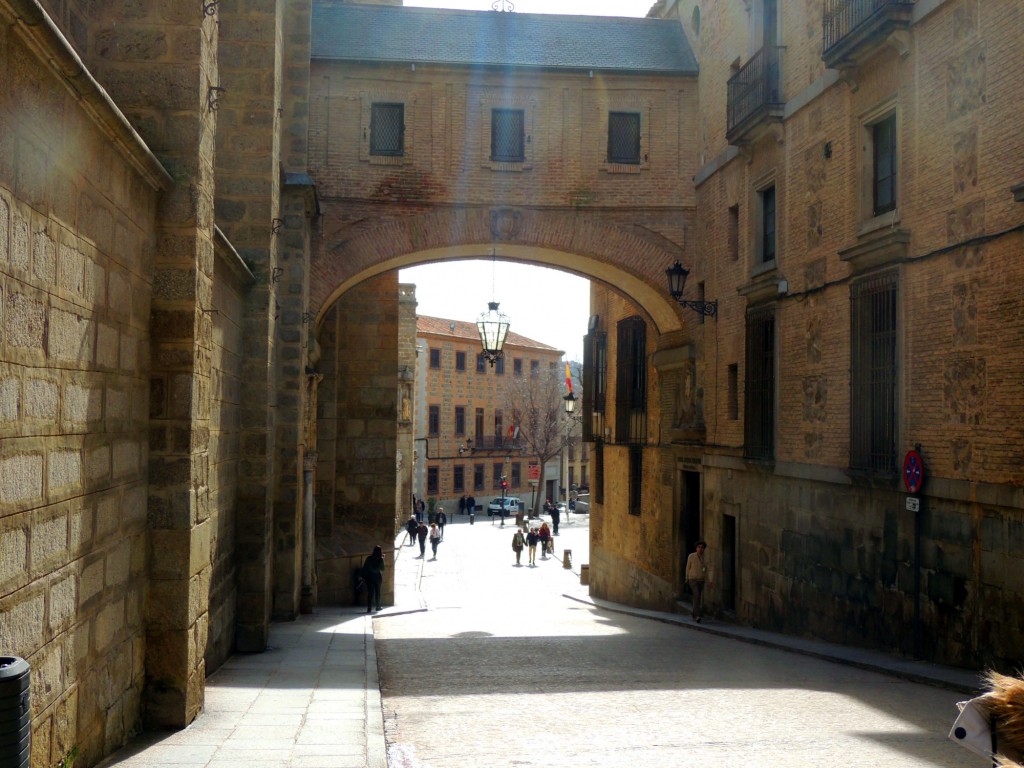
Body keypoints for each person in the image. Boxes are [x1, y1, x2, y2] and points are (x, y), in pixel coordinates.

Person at [685, 540, 712, 623]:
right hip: (692, 579)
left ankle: (694, 613)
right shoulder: (691, 556)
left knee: (697, 597)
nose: (700, 549)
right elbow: (688, 567)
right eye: (699, 547)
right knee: (696, 594)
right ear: (696, 548)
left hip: (701, 581)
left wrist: (710, 580)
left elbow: (709, 570)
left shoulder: (706, 558)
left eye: (702, 547)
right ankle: (697, 615)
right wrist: (686, 578)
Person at [362, 545, 385, 613]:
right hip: (377, 577)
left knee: (370, 593)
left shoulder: (369, 558)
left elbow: (365, 567)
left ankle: (369, 608)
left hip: (369, 577)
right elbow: (383, 569)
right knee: (378, 592)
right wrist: (383, 559)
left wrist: (363, 576)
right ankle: (378, 606)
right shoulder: (380, 559)